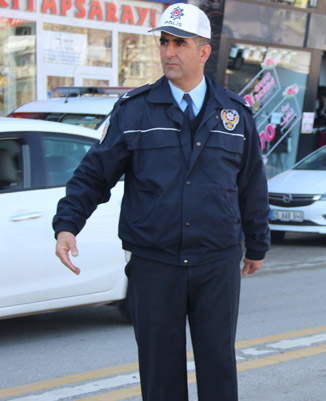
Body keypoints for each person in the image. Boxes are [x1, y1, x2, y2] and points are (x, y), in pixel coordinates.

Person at [52, 3, 270, 401]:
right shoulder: (134, 111)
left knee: (218, 367)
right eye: (165, 42)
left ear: (203, 51)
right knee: (159, 371)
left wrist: (257, 243)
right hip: (155, 265)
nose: (169, 51)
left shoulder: (235, 115)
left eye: (179, 43)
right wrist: (68, 224)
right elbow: (94, 174)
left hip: (215, 262)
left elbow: (251, 183)